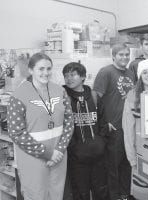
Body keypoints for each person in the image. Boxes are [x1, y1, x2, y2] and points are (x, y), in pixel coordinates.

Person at [7, 52, 74, 200]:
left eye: (49, 69)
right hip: (33, 159)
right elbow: (16, 133)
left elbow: (69, 121)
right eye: (41, 69)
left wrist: (59, 150)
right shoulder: (19, 95)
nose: (46, 73)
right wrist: (48, 153)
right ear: (31, 70)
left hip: (59, 157)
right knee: (36, 195)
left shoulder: (59, 90)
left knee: (56, 194)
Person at [93, 43, 135, 200]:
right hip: (113, 127)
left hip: (127, 127)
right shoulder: (106, 72)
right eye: (120, 54)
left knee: (126, 163)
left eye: (126, 54)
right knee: (112, 167)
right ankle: (113, 196)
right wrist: (103, 123)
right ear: (113, 56)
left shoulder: (131, 73)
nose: (124, 57)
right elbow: (95, 99)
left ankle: (124, 195)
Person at [62, 62, 108, 200]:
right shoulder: (63, 98)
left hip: (98, 156)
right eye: (66, 76)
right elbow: (62, 126)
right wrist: (74, 148)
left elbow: (103, 122)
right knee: (80, 194)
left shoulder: (94, 96)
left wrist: (101, 143)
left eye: (73, 74)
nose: (69, 78)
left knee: (101, 192)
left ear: (83, 77)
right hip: (76, 159)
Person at [122, 59, 148, 168]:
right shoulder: (132, 96)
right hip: (140, 149)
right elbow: (128, 130)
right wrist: (132, 158)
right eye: (144, 72)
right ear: (140, 76)